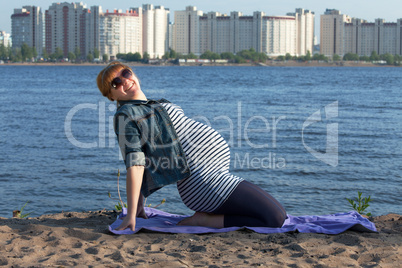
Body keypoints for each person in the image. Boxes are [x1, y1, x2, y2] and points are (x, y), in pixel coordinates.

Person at [96, 61, 287, 231]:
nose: (125, 81)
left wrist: (139, 206)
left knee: (280, 214)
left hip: (214, 175)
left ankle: (208, 217)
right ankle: (204, 220)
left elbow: (147, 159)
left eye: (126, 73)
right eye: (116, 83)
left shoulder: (154, 104)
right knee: (275, 218)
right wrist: (131, 214)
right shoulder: (126, 115)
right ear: (111, 96)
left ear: (133, 74)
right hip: (202, 182)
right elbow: (136, 163)